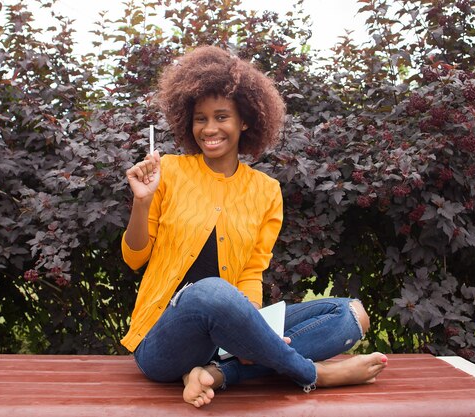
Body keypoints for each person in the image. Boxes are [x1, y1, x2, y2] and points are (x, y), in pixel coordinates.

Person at [121, 45, 388, 408]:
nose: (209, 129)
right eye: (200, 119)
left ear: (244, 120)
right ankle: (313, 374)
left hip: (226, 335)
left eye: (221, 117)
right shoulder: (168, 171)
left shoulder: (266, 191)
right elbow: (135, 258)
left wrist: (247, 334)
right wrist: (142, 200)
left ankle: (217, 373)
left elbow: (250, 272)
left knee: (351, 314)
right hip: (163, 339)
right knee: (209, 292)